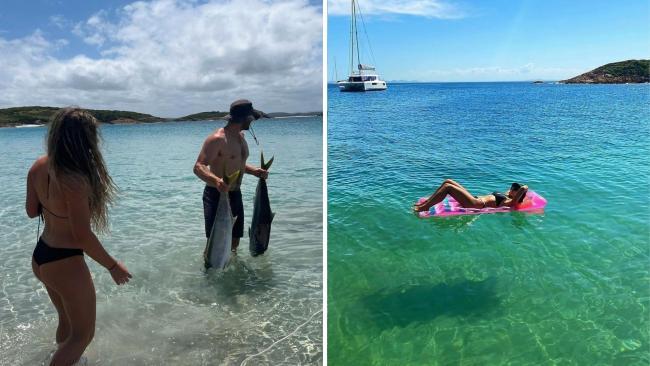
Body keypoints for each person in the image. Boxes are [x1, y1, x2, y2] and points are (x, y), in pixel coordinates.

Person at [25, 108, 132, 365]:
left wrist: (52, 203)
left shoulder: (38, 165)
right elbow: (82, 236)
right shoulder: (75, 179)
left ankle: (65, 359)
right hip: (65, 261)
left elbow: (31, 212)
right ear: (87, 139)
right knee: (83, 335)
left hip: (42, 256)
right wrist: (112, 265)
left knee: (67, 322)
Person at [193, 99, 269, 256]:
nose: (253, 121)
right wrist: (217, 181)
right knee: (215, 242)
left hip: (236, 194)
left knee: (234, 240)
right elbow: (199, 167)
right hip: (216, 194)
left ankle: (231, 276)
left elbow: (237, 164)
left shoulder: (241, 137)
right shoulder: (217, 139)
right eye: (252, 117)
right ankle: (208, 276)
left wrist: (255, 171)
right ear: (245, 118)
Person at [413, 179, 529, 212]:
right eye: (513, 186)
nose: (512, 188)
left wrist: (524, 189)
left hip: (475, 204)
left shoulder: (508, 202)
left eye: (515, 188)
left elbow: (519, 196)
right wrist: (512, 191)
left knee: (448, 188)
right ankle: (427, 202)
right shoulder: (505, 195)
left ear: (517, 194)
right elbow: (512, 191)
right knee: (448, 181)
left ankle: (426, 207)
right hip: (474, 198)